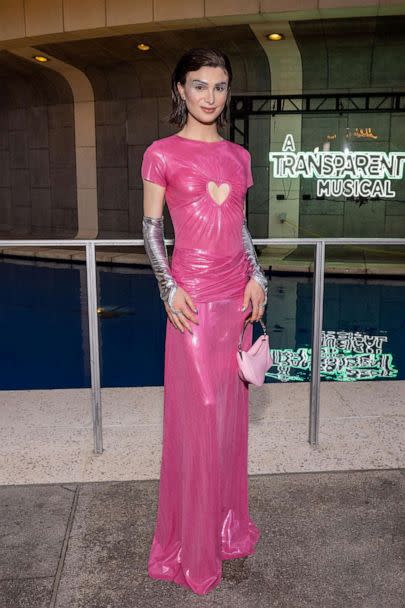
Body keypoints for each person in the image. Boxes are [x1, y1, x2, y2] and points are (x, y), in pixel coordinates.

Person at [141, 47, 268, 596]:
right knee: (202, 416)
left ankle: (223, 528)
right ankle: (188, 545)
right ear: (180, 91)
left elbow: (239, 227)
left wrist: (257, 275)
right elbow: (150, 230)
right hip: (191, 300)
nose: (210, 97)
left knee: (228, 421)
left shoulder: (239, 158)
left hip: (235, 298)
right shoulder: (161, 153)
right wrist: (168, 286)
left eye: (219, 86)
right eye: (199, 85)